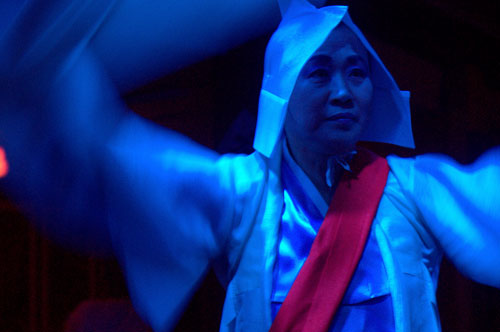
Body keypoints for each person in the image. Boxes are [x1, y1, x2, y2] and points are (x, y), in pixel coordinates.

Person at [0, 0, 499, 331]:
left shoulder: (411, 191)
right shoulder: (245, 195)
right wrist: (48, 71)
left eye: (357, 72)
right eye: (320, 72)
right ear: (282, 92)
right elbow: (119, 156)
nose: (344, 92)